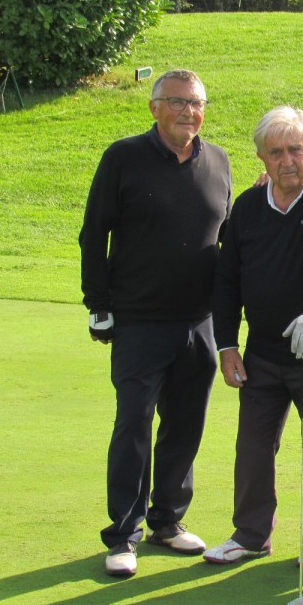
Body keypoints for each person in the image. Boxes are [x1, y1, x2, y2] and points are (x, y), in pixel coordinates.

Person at [79, 69, 232, 577]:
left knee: (186, 424)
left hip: (199, 320)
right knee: (134, 423)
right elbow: (93, 234)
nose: (189, 111)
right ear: (154, 108)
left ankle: (168, 520)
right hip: (139, 320)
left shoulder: (219, 161)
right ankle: (124, 534)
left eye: (197, 103)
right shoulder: (123, 157)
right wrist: (98, 304)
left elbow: (229, 238)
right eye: (177, 102)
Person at [203, 106, 303, 569]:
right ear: (261, 158)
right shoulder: (249, 206)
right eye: (275, 153)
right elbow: (227, 279)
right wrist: (227, 344)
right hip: (265, 351)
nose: (287, 161)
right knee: (253, 446)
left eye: (296, 150)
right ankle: (251, 534)